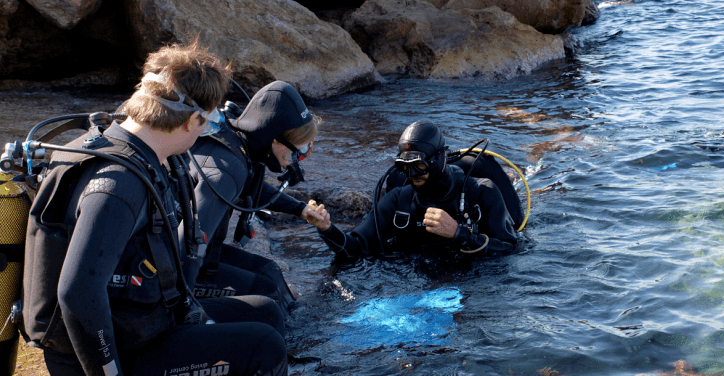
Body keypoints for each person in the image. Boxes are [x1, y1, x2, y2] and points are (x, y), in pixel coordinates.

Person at [22, 42, 287, 376]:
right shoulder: (118, 184)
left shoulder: (131, 147)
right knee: (265, 347)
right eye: (209, 121)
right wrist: (108, 371)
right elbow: (77, 293)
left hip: (141, 322)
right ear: (192, 120)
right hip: (110, 354)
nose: (208, 129)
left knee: (266, 312)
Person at [184, 80, 322, 315]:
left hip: (201, 253)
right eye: (295, 152)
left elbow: (253, 189)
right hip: (173, 268)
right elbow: (188, 245)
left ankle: (300, 323)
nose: (294, 161)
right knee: (265, 295)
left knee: (269, 270)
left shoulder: (237, 144)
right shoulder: (226, 171)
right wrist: (182, 308)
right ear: (274, 139)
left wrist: (299, 209)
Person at [305, 120, 518, 258]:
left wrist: (458, 233)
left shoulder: (481, 193)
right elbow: (355, 248)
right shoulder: (400, 200)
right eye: (405, 166)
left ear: (439, 159)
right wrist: (326, 229)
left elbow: (510, 249)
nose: (412, 174)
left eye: (419, 165)